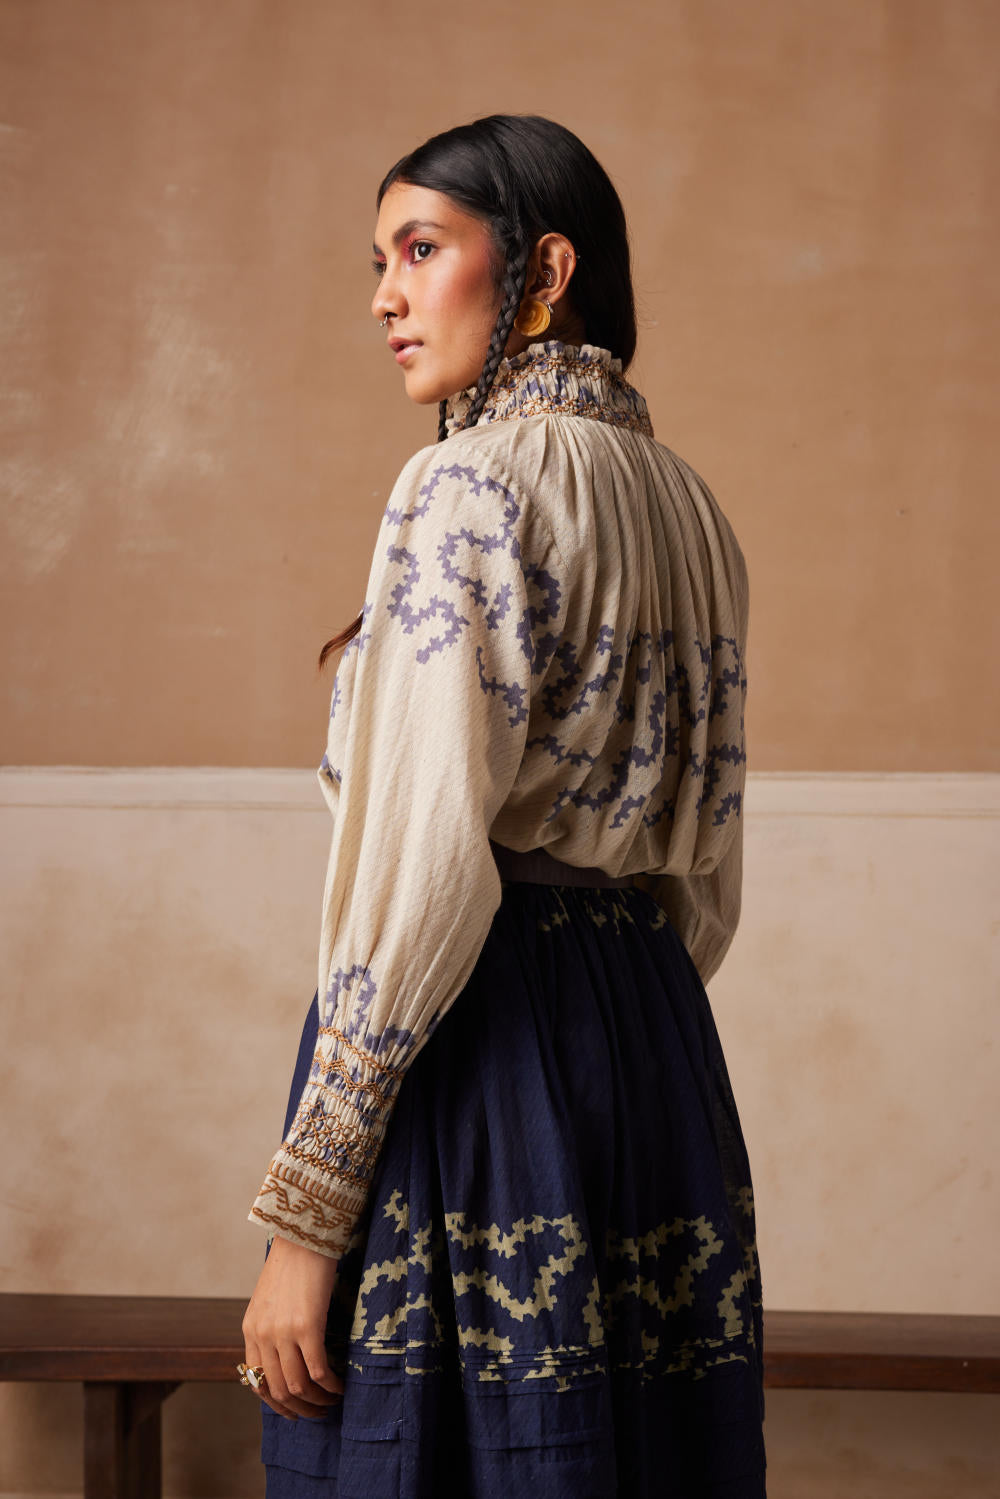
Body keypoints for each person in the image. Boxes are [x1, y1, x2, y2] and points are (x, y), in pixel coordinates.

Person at [240, 114, 765, 1498]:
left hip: (475, 1045)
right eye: (380, 262)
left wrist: (308, 1219)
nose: (386, 297)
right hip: (649, 1042)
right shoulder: (694, 511)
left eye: (421, 251)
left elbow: (422, 868)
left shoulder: (464, 484)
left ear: (544, 270)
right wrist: (612, 1022)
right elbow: (703, 877)